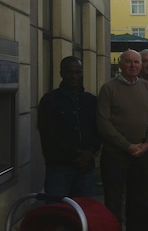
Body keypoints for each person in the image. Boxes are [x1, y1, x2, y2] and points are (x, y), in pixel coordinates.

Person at [96, 50, 148, 230]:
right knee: (114, 201)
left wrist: (147, 144)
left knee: (140, 201)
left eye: (136, 62)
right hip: (116, 155)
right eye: (129, 62)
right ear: (120, 64)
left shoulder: (146, 87)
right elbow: (103, 123)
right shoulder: (109, 88)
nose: (133, 66)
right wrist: (127, 146)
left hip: (143, 154)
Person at [37, 56, 102, 198]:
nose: (74, 76)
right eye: (69, 72)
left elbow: (98, 130)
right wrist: (76, 155)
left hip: (85, 169)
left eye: (77, 72)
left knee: (83, 213)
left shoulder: (90, 100)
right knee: (58, 213)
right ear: (61, 73)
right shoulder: (49, 100)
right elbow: (48, 136)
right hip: (59, 169)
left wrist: (90, 151)